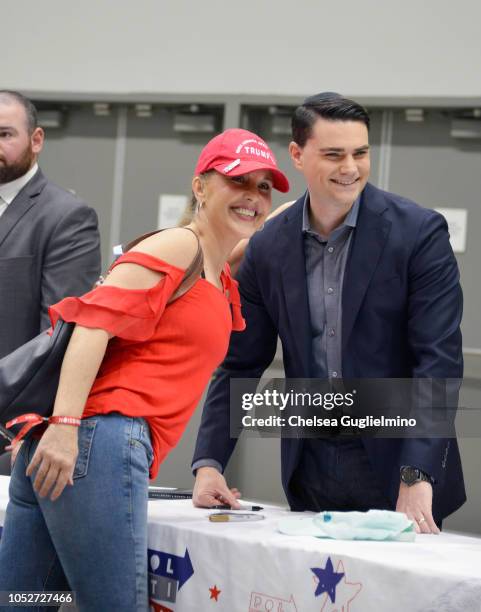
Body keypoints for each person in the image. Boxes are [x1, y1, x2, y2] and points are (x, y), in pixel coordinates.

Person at [0, 128, 289, 611]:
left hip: (71, 454)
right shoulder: (179, 247)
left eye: (263, 186)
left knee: (27, 602)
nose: (253, 197)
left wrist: (336, 185)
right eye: (238, 181)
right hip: (92, 445)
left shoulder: (216, 269)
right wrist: (67, 426)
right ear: (200, 187)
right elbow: (91, 325)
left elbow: (279, 218)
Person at [192, 93, 465, 535]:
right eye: (334, 154)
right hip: (311, 469)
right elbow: (241, 362)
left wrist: (417, 473)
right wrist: (209, 462)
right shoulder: (269, 245)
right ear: (297, 155)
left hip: (400, 467)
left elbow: (438, 362)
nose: (350, 168)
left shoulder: (418, 233)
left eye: (360, 153)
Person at [0, 91, 101, 465]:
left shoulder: (66, 217)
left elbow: (58, 336)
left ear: (36, 140)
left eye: (5, 134)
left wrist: (26, 427)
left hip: (10, 432)